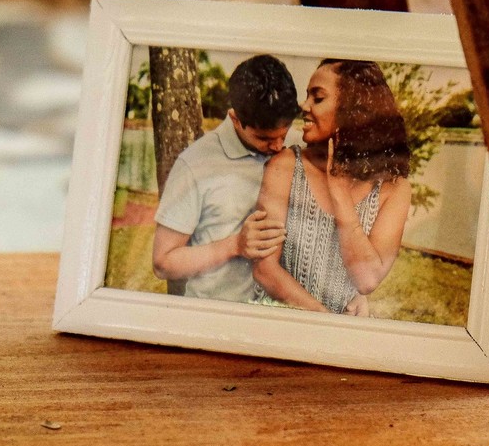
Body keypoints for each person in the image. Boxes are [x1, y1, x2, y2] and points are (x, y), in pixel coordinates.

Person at [252, 59, 412, 315]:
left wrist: (338, 192)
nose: (304, 106)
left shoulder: (395, 188)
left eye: (317, 98)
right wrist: (327, 322)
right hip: (282, 322)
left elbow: (367, 280)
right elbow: (264, 269)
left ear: (353, 109)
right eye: (307, 97)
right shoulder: (285, 166)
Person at [152, 54, 301, 301]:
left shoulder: (298, 148)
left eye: (283, 135)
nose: (277, 146)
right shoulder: (195, 164)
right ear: (235, 118)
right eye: (264, 138)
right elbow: (163, 263)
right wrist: (234, 246)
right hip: (216, 319)